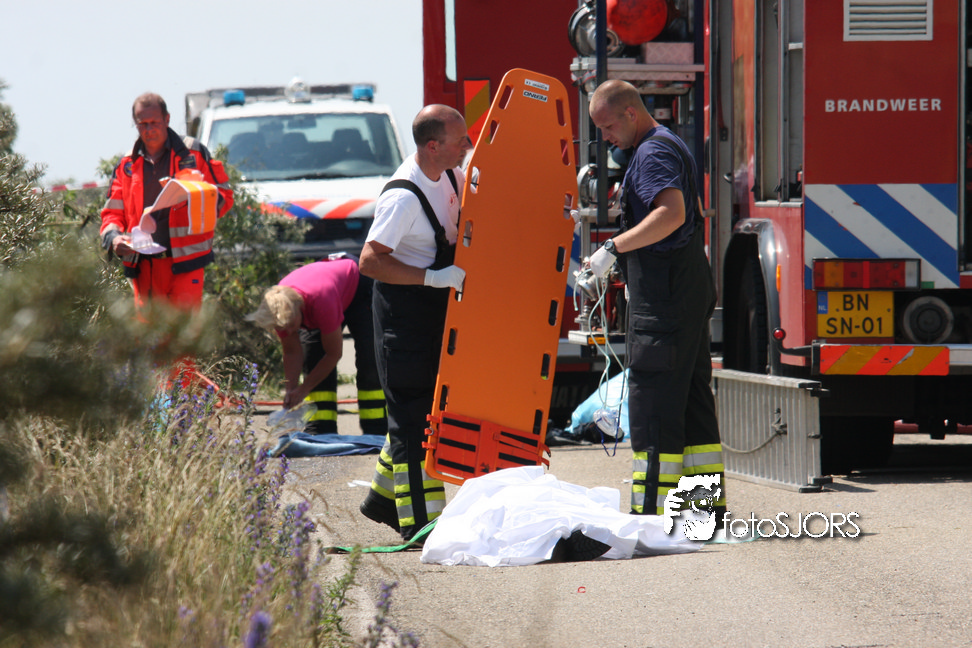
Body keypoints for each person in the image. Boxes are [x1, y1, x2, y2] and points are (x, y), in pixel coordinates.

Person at [587, 79, 726, 521]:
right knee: (691, 402)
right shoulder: (666, 144)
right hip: (684, 289)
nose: (606, 137)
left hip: (665, 299)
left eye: (609, 127)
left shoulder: (651, 153)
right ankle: (702, 515)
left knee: (653, 403)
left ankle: (651, 515)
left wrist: (613, 248)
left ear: (631, 113)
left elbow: (671, 213)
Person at [357, 104, 472, 542]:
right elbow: (370, 261)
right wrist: (431, 277)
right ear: (433, 146)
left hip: (431, 311)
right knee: (412, 421)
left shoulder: (452, 176)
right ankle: (423, 526)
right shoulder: (403, 197)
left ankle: (381, 500)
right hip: (402, 317)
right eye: (460, 140)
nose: (467, 145)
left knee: (420, 411)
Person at [100, 93, 234, 313]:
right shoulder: (127, 164)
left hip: (186, 262)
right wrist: (114, 239)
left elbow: (225, 197)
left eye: (154, 122)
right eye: (142, 124)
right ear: (135, 124)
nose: (149, 129)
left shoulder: (193, 153)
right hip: (144, 266)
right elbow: (111, 214)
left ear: (167, 119)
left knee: (185, 332)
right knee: (149, 333)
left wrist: (200, 195)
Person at [246, 255, 387, 435]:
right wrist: (291, 390)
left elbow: (334, 354)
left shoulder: (321, 301)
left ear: (300, 310)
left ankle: (376, 430)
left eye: (291, 325)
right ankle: (321, 430)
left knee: (370, 359)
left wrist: (303, 389)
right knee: (313, 358)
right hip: (323, 293)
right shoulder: (279, 309)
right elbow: (291, 352)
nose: (288, 331)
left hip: (359, 288)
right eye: (282, 328)